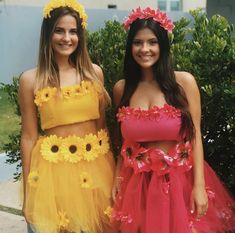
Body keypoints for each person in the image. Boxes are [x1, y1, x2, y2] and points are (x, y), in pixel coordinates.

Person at [112, 7, 235, 233]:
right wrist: (118, 178)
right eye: (138, 43)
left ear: (163, 45)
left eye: (152, 42)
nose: (145, 49)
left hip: (181, 184)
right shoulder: (122, 89)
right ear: (130, 47)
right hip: (137, 187)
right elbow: (123, 143)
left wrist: (198, 186)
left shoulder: (184, 83)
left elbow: (196, 135)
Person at [18, 0, 116, 232]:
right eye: (59, 31)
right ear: (48, 35)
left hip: (96, 167)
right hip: (53, 171)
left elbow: (102, 128)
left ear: (80, 36)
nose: (67, 38)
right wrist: (28, 193)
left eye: (73, 31)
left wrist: (112, 174)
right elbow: (29, 137)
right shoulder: (31, 80)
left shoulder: (94, 73)